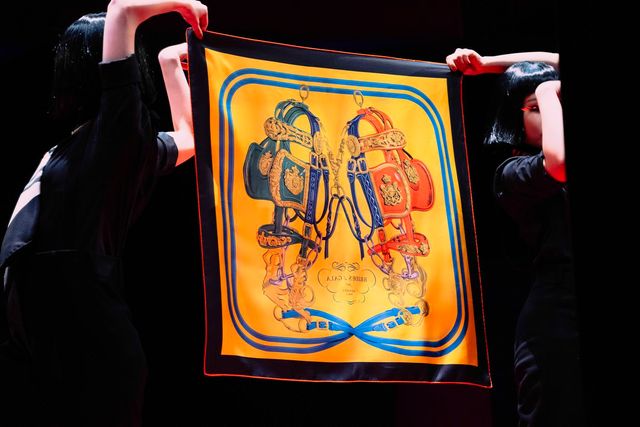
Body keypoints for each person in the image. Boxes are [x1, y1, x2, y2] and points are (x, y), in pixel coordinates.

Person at [0, 0, 207, 425]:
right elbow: (189, 136)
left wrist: (180, 5)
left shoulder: (118, 134)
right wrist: (169, 62)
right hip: (59, 338)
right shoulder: (107, 146)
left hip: (84, 338)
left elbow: (121, 12)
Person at [447, 50, 583, 426]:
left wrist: (486, 63)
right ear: (515, 118)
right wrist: (548, 90)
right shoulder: (511, 173)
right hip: (556, 326)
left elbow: (558, 57)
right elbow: (557, 163)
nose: (552, 108)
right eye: (536, 107)